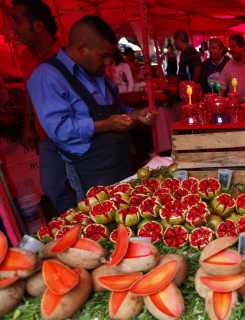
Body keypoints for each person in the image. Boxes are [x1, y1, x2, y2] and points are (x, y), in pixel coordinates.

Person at [27, 15, 159, 194]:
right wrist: (107, 124)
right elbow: (59, 129)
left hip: (121, 163)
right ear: (82, 48)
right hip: (89, 171)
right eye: (103, 56)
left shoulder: (99, 73)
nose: (108, 62)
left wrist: (135, 114)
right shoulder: (48, 76)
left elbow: (116, 107)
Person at [11, 0, 83, 213]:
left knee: (83, 186)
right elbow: (29, 92)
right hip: (45, 137)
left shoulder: (67, 55)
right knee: (51, 187)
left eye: (17, 20)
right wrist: (28, 127)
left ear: (39, 26)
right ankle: (73, 223)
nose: (13, 27)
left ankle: (89, 223)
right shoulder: (26, 57)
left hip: (72, 134)